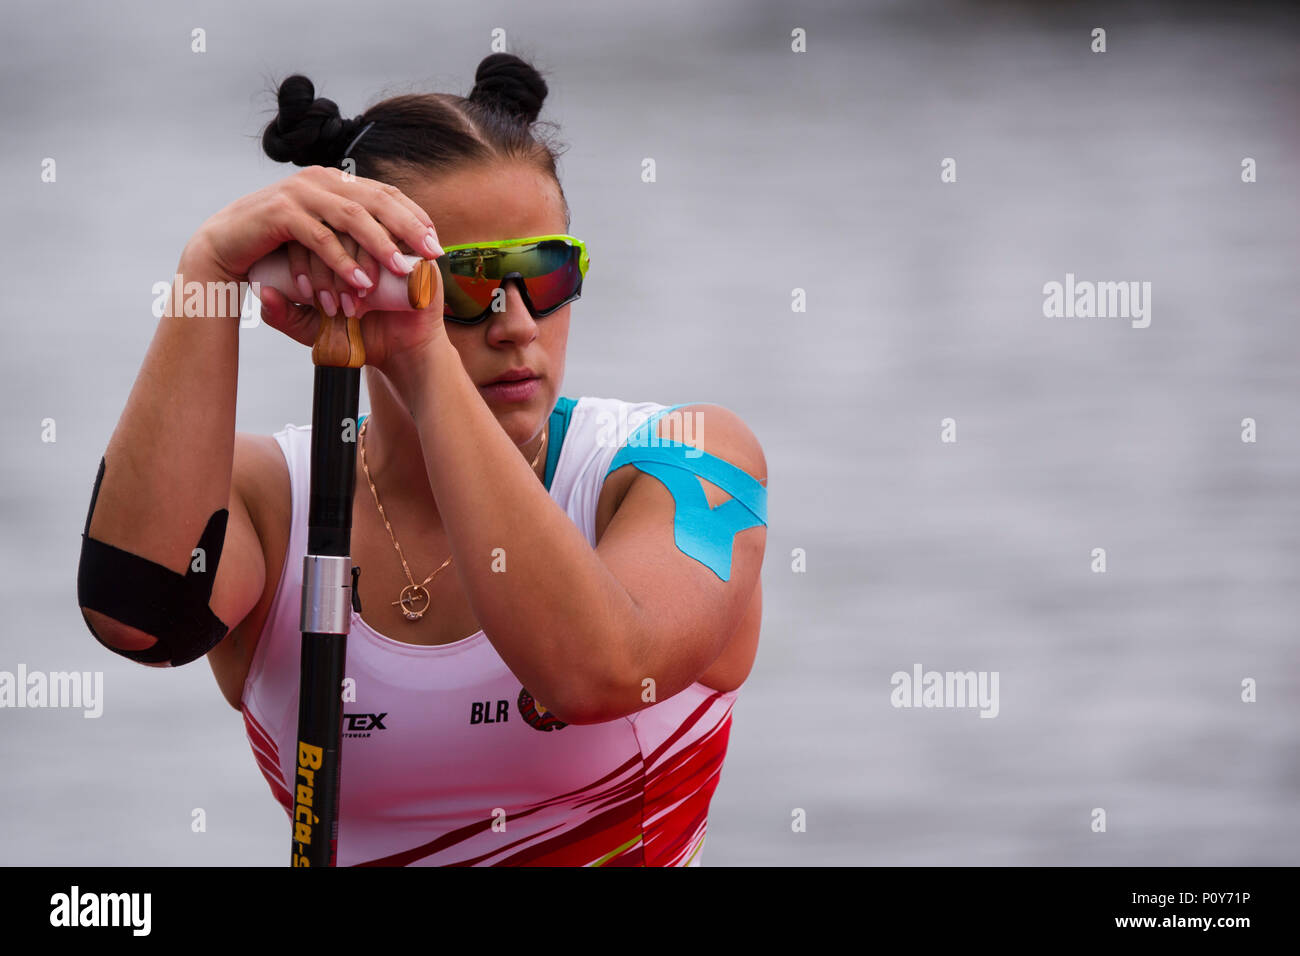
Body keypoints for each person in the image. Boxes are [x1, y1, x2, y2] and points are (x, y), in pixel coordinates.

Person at [77, 52, 768, 866]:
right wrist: (209, 271)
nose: (516, 325)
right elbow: (136, 620)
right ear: (359, 279)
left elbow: (597, 675)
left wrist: (421, 352)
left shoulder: (683, 459)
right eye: (467, 286)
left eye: (544, 273)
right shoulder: (268, 499)